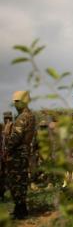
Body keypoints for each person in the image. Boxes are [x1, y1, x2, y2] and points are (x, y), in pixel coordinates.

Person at [4, 91, 36, 219]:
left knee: (16, 181)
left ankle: (20, 211)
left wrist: (7, 149)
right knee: (21, 181)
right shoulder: (31, 115)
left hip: (17, 152)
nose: (15, 104)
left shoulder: (23, 116)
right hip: (23, 151)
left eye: (17, 101)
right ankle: (20, 209)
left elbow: (16, 136)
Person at [0, 111, 13, 201]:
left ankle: (2, 194)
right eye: (5, 118)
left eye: (9, 118)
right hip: (2, 156)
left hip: (9, 155)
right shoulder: (2, 127)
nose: (7, 120)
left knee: (5, 175)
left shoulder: (14, 127)